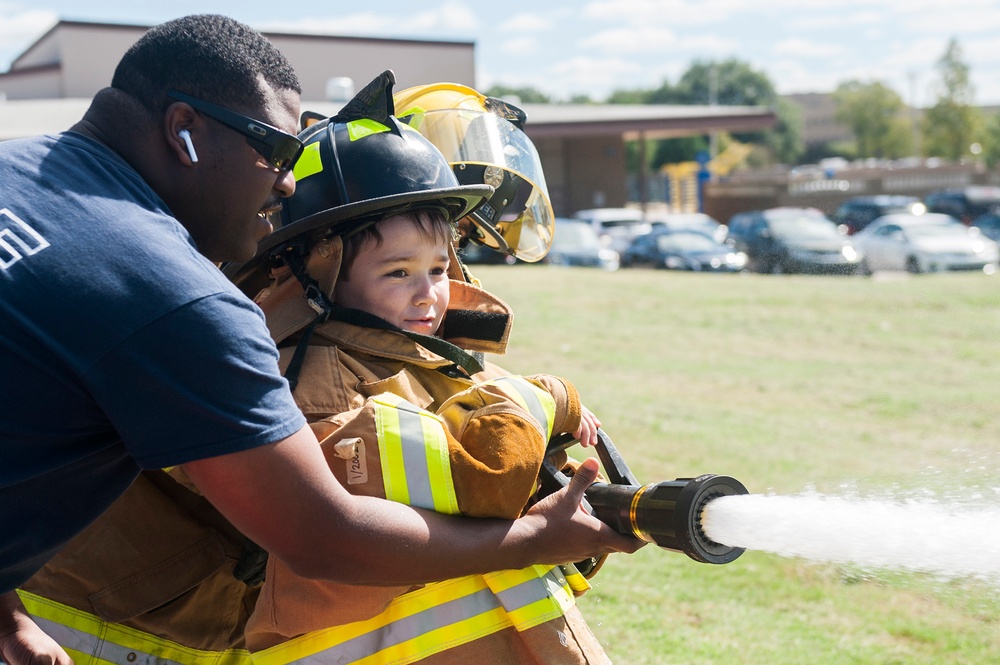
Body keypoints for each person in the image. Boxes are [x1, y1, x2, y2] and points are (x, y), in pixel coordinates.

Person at [0, 14, 639, 665]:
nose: (285, 183)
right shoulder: (170, 296)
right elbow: (321, 534)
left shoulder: (13, 173)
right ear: (184, 131)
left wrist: (7, 618)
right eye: (276, 151)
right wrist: (533, 536)